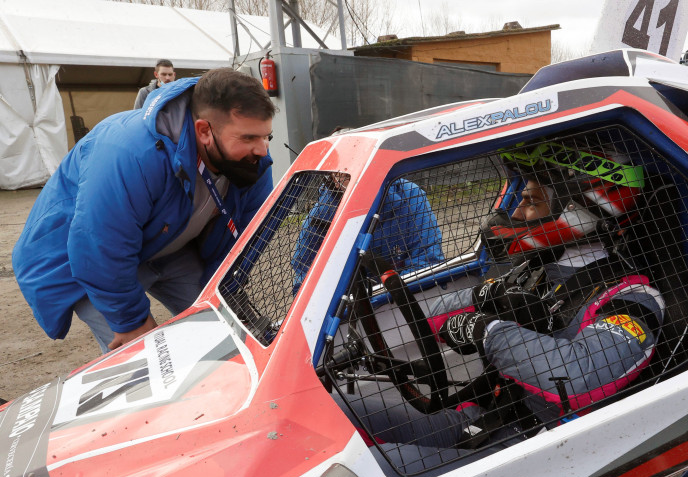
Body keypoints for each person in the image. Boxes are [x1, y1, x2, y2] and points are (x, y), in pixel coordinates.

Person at [341, 169, 665, 466]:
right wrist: (365, 336)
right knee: (337, 414)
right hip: (486, 421)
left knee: (358, 470)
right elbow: (443, 310)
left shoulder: (634, 299)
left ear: (578, 211)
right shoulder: (532, 274)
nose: (514, 213)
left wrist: (488, 331)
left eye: (530, 202)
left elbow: (578, 378)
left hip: (533, 456)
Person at [13, 68, 275, 353]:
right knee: (144, 357)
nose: (262, 150)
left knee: (226, 331)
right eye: (248, 138)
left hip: (167, 246)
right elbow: (97, 242)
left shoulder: (255, 162)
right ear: (204, 131)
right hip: (87, 258)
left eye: (267, 137)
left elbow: (245, 238)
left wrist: (223, 290)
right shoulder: (129, 151)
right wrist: (131, 321)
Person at [290, 174, 444, 288]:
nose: (359, 179)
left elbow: (428, 262)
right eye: (347, 176)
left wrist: (389, 294)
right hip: (351, 311)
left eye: (365, 171)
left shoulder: (411, 196)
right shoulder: (320, 216)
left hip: (406, 298)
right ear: (334, 179)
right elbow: (305, 279)